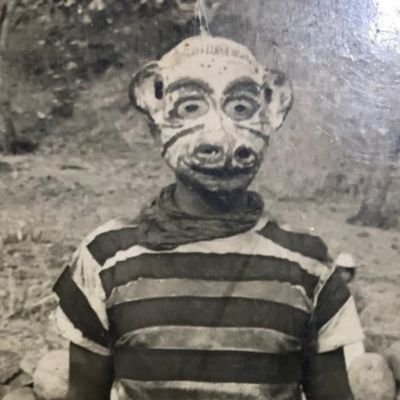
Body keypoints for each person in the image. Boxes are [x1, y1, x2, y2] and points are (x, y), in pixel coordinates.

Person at [52, 35, 365, 400]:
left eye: (241, 108)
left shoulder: (308, 264)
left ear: (272, 111)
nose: (220, 137)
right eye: (190, 108)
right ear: (154, 113)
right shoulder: (104, 257)